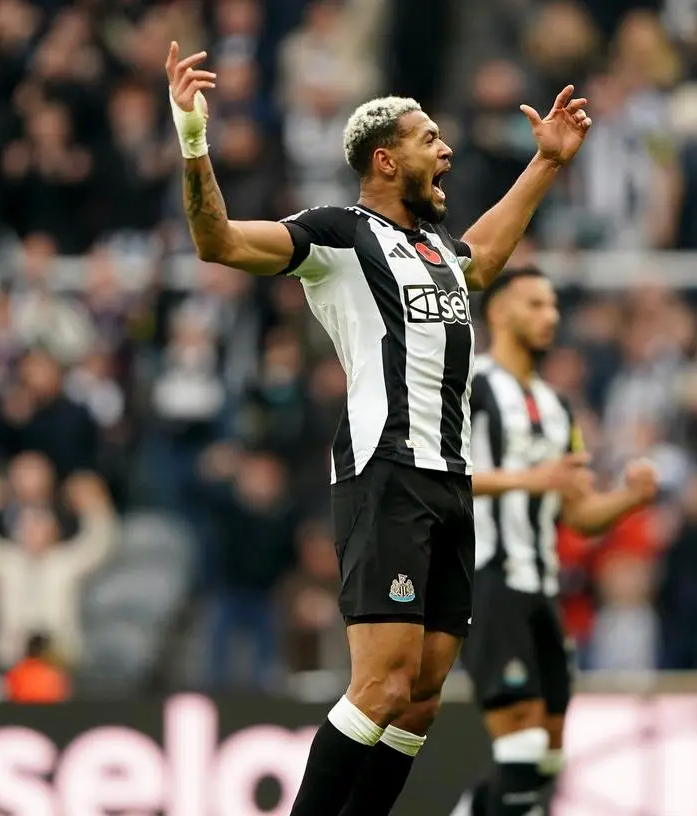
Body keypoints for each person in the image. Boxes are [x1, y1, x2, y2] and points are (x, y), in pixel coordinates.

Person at [164, 40, 594, 816]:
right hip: (386, 472)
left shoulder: (436, 250)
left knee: (423, 697)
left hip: (450, 480)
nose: (448, 149)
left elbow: (487, 257)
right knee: (382, 683)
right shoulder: (340, 236)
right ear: (386, 160)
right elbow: (217, 241)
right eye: (431, 139)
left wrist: (548, 164)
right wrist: (195, 139)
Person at [449, 266, 659, 816]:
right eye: (534, 305)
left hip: (544, 590)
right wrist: (529, 478)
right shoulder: (469, 386)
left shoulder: (558, 406)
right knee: (519, 744)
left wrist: (629, 498)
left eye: (552, 307)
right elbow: (438, 478)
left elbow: (580, 514)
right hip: (491, 583)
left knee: (545, 756)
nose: (549, 317)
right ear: (498, 312)